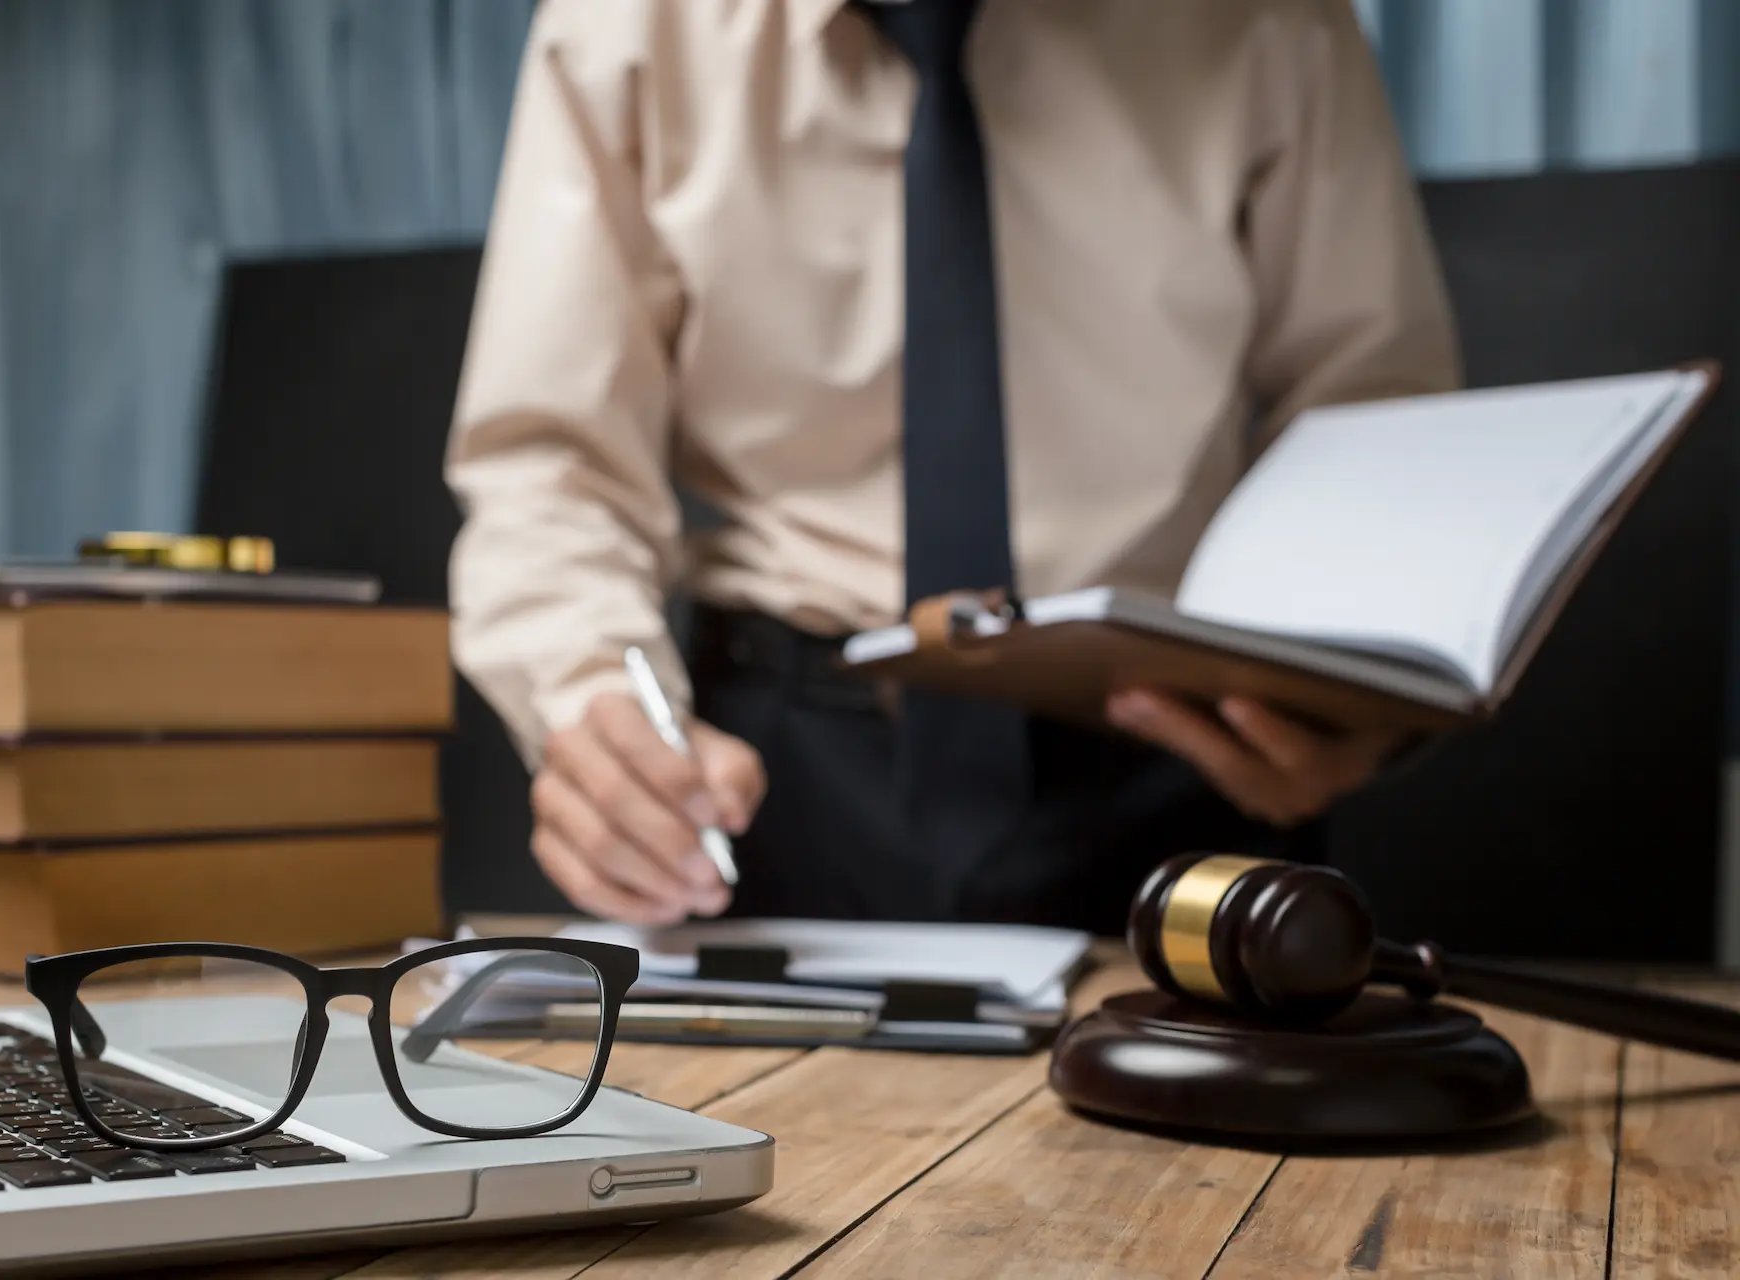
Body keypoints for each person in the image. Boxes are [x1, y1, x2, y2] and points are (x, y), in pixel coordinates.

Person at [445, 0, 1460, 932]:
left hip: (1179, 755)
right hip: (770, 783)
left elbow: (1371, 423)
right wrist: (593, 708)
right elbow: (551, 466)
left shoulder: (1265, 20)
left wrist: (1351, 697)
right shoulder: (627, 25)